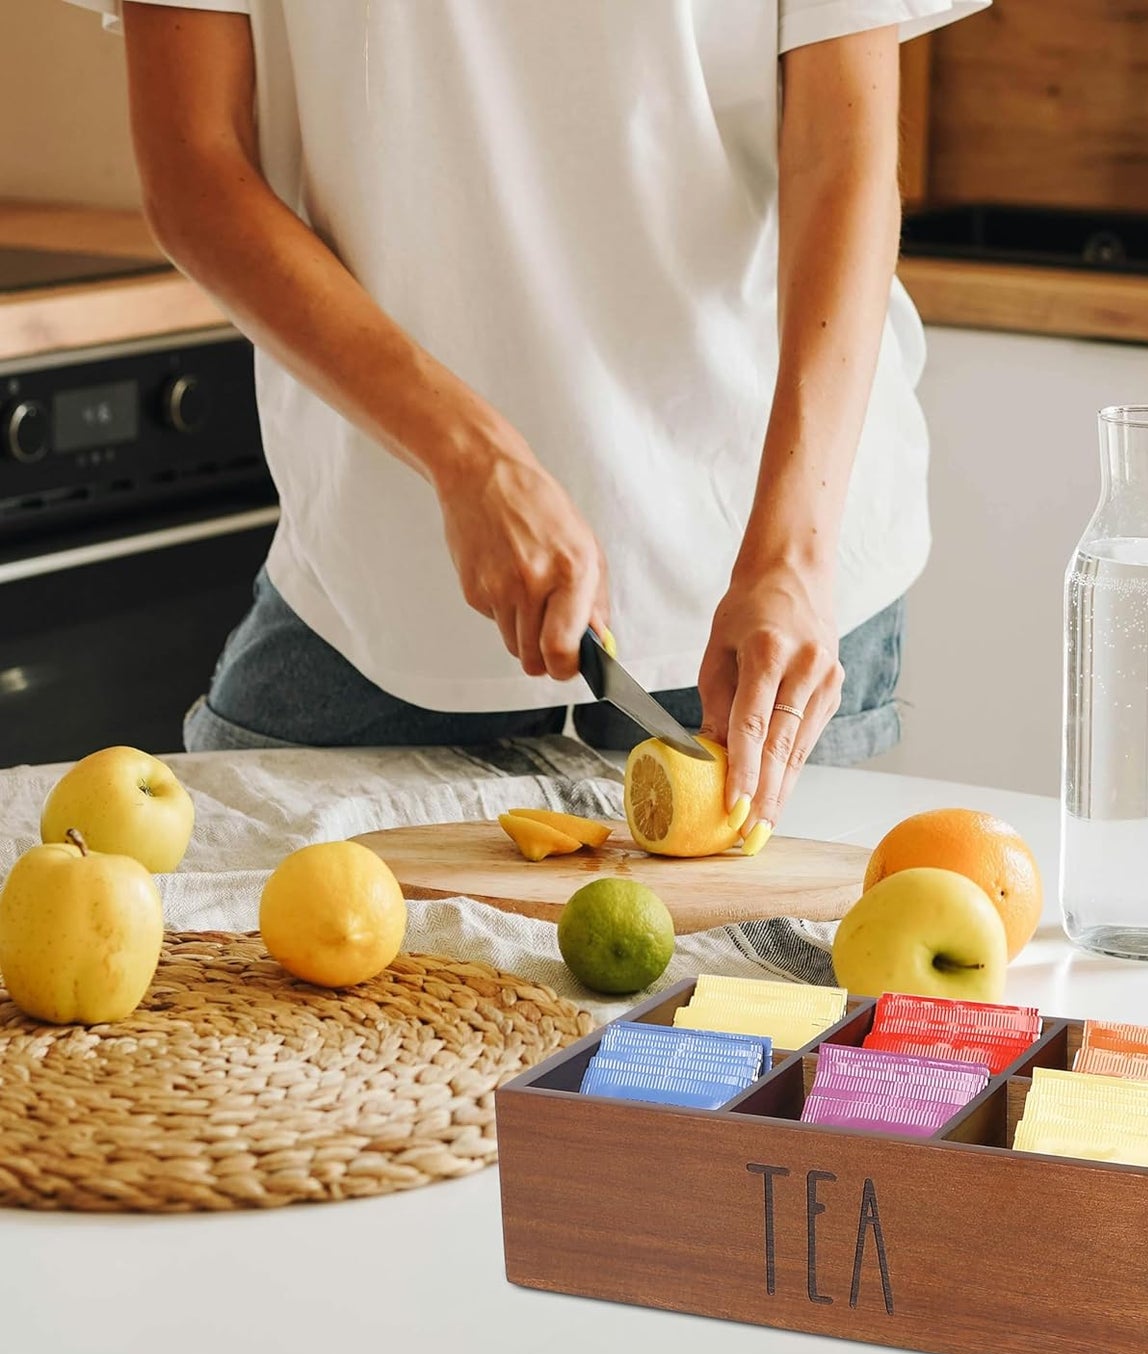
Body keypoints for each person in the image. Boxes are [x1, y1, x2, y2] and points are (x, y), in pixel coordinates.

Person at [76, 0, 989, 849]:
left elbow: (841, 155)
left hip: (763, 563)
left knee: (762, 965)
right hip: (385, 565)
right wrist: (470, 457)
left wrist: (792, 555)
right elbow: (196, 168)